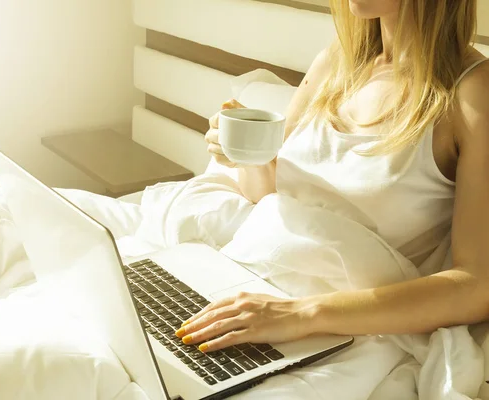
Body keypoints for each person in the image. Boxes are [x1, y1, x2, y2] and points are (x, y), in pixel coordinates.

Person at [174, 0, 489, 355]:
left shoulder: (474, 92)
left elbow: (477, 285)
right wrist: (247, 155)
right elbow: (270, 193)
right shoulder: (336, 63)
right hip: (245, 280)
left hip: (342, 330)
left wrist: (304, 314)